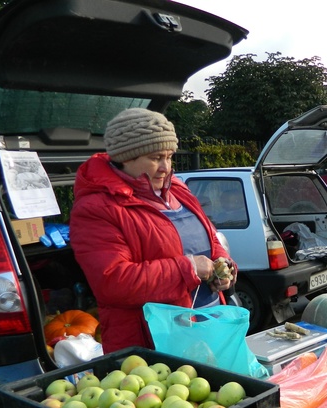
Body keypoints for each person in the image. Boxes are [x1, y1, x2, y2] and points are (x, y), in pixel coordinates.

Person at [70, 107, 236, 353]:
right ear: (126, 157)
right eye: (156, 158)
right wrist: (188, 268)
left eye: (169, 157)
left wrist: (223, 263)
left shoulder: (177, 189)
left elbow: (209, 235)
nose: (166, 167)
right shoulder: (96, 209)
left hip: (207, 328)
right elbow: (113, 281)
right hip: (151, 343)